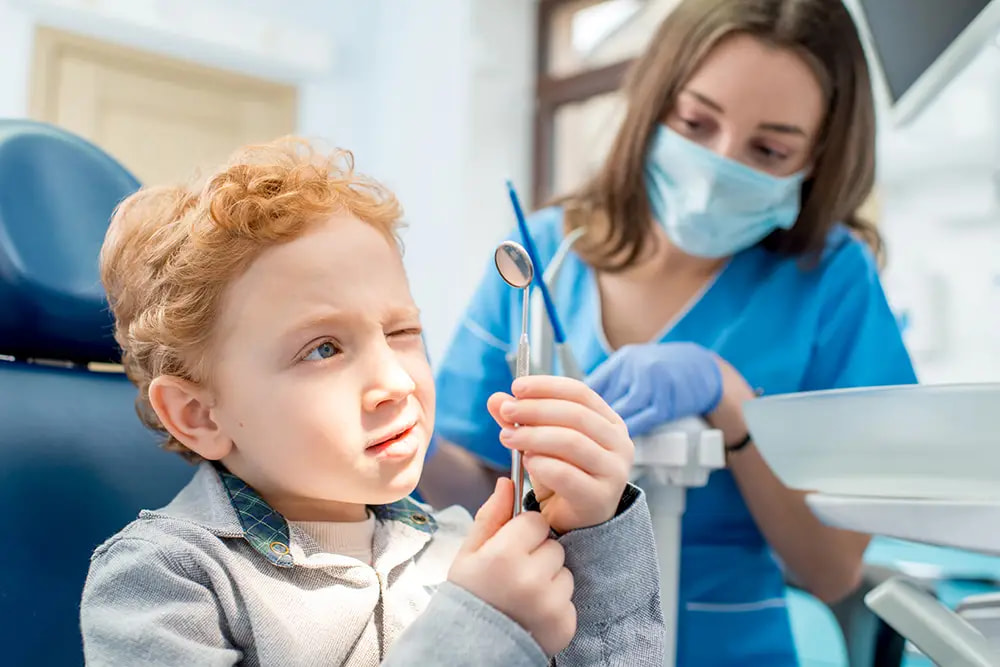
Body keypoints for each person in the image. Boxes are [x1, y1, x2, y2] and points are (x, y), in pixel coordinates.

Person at [421, 0, 918, 664]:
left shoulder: (829, 279)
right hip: (546, 645)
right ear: (656, 103)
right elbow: (474, 490)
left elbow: (832, 570)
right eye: (695, 121)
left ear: (818, 158)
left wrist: (729, 398)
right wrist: (412, 436)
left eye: (769, 149)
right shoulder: (542, 254)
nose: (720, 163)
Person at [79, 138, 666, 666]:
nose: (395, 380)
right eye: (323, 348)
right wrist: (480, 632)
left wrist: (596, 538)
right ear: (197, 415)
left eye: (402, 332)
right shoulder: (165, 583)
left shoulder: (458, 549)